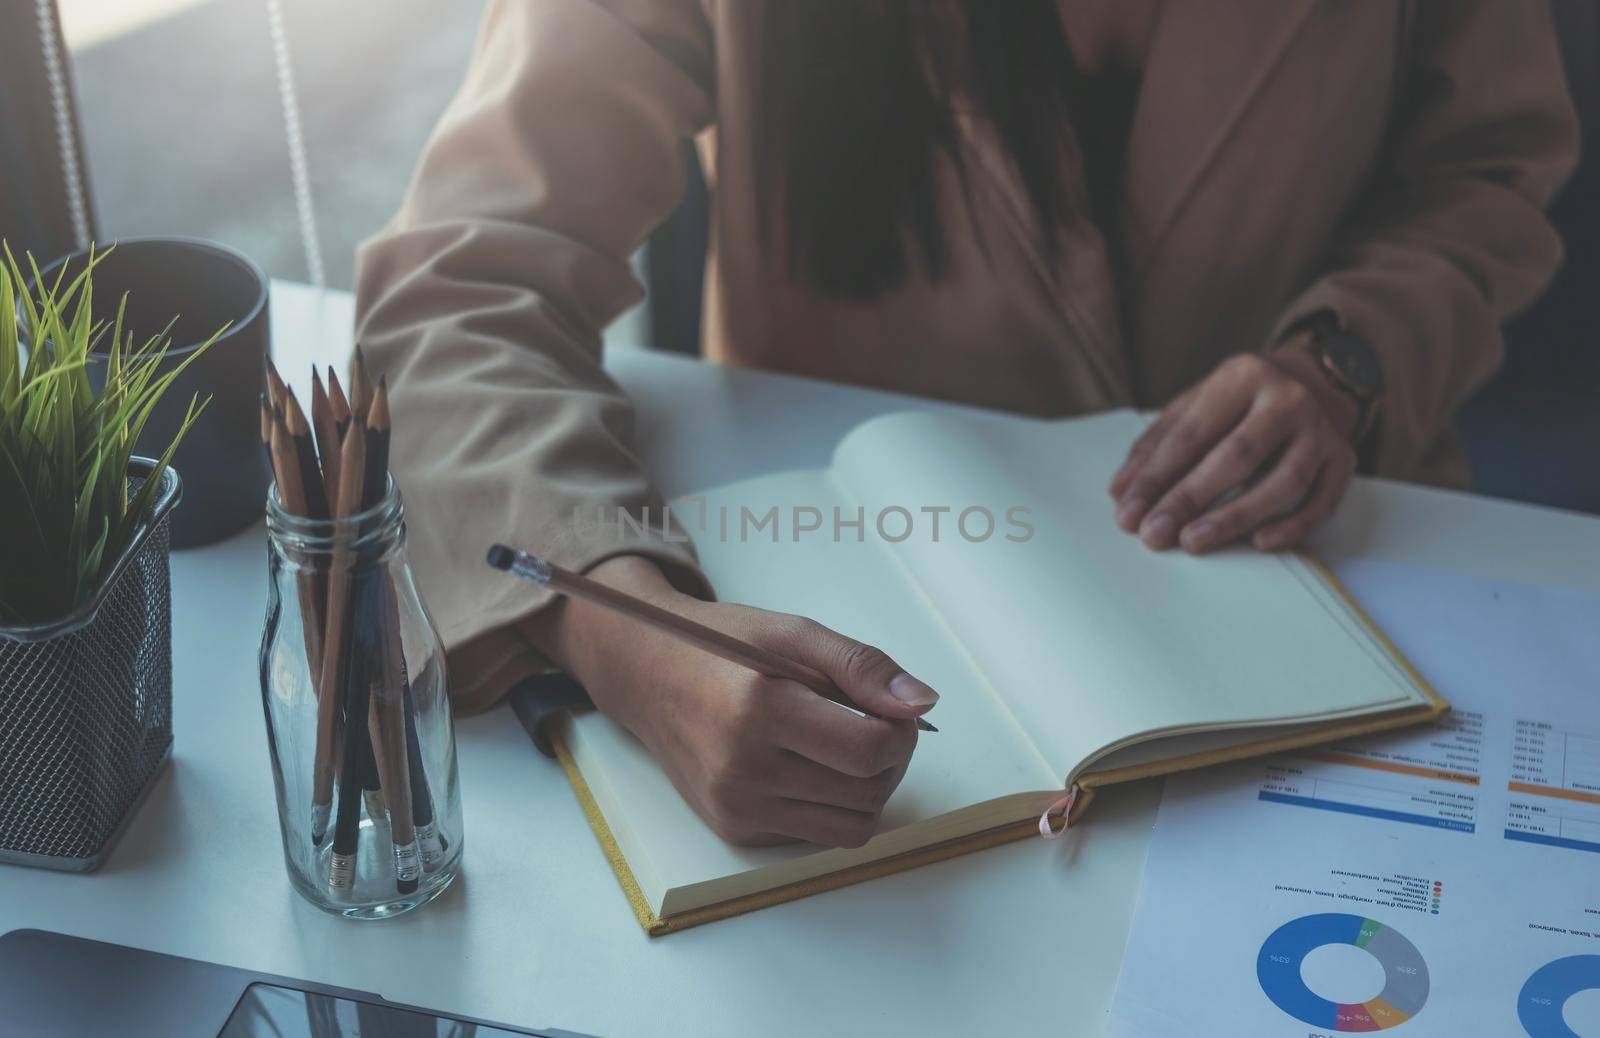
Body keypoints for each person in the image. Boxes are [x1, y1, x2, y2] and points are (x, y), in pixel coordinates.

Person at [355, 1, 1576, 849]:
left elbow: (1487, 171)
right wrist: (623, 633)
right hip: (848, 630)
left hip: (1328, 594)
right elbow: (464, 285)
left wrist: (1346, 357)